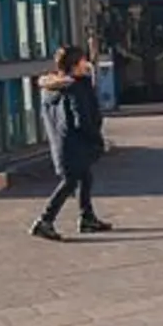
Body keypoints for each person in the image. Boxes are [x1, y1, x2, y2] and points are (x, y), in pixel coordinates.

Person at [30, 45, 111, 241]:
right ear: (75, 64)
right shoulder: (76, 87)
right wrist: (96, 138)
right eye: (84, 60)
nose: (87, 63)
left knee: (85, 177)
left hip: (62, 143)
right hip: (75, 143)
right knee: (70, 181)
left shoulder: (54, 87)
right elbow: (80, 118)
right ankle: (44, 220)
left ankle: (87, 217)